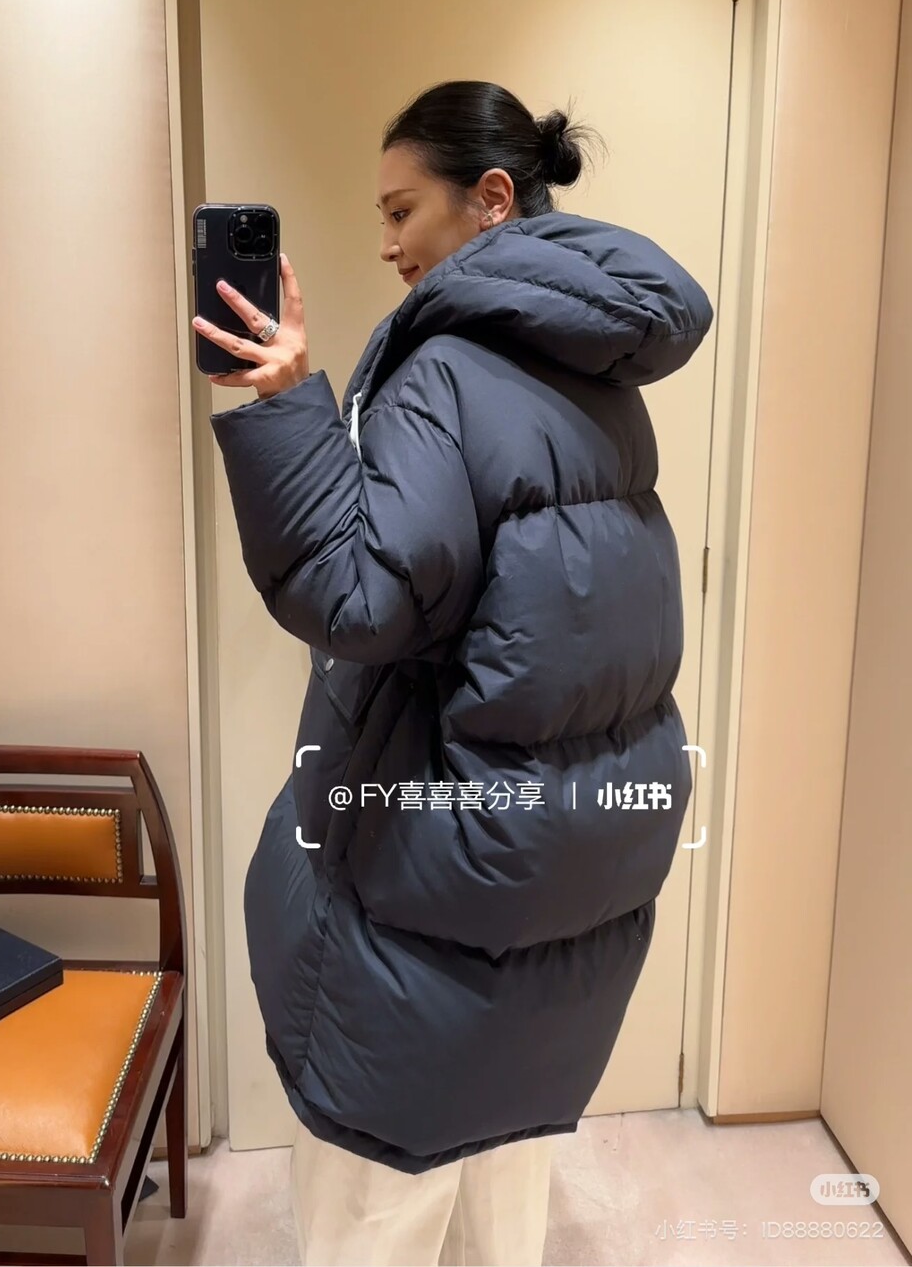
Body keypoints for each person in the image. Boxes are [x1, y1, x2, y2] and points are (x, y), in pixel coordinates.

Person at [200, 79, 714, 1266]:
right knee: (500, 1166)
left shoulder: (445, 368)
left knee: (373, 1203)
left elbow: (361, 598)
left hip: (443, 866)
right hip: (565, 853)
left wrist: (286, 406)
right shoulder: (596, 365)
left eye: (401, 211)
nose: (386, 245)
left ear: (488, 199)